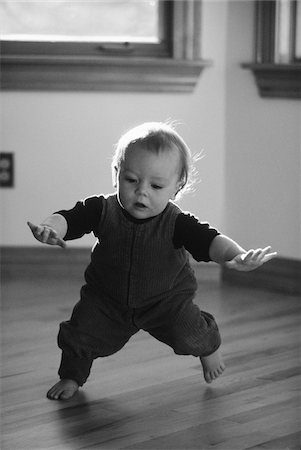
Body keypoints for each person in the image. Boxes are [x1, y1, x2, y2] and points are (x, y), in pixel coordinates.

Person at [27, 122, 277, 400]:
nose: (142, 191)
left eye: (156, 185)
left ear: (177, 187)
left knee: (188, 334)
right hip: (106, 299)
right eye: (131, 180)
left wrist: (236, 256)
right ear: (116, 174)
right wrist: (51, 228)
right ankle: (72, 375)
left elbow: (210, 240)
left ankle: (209, 346)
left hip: (166, 301)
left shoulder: (177, 222)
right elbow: (69, 218)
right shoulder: (102, 209)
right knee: (80, 333)